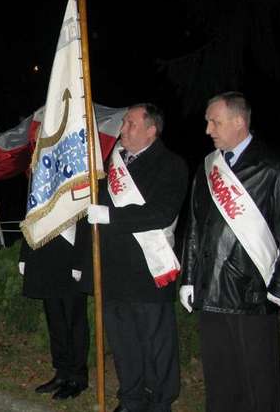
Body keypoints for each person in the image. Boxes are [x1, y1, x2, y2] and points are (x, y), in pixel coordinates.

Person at [179, 92, 280, 412]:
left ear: (239, 122)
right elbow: (195, 225)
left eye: (215, 121)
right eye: (208, 121)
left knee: (258, 381)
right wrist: (189, 277)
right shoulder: (209, 166)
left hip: (251, 295)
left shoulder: (272, 166)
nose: (208, 129)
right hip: (211, 291)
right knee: (220, 378)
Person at [83, 103, 188, 412]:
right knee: (123, 344)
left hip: (148, 272)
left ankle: (159, 401)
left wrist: (111, 216)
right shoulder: (108, 164)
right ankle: (131, 398)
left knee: (156, 345)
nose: (122, 129)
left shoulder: (171, 165)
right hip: (112, 272)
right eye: (124, 123)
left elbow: (161, 213)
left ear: (150, 130)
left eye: (130, 124)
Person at [20, 224, 89, 400]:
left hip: (70, 257)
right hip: (46, 258)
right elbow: (33, 215)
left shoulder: (76, 193)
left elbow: (83, 221)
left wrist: (81, 259)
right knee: (55, 321)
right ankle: (62, 372)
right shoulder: (40, 193)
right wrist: (25, 253)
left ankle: (77, 378)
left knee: (75, 322)